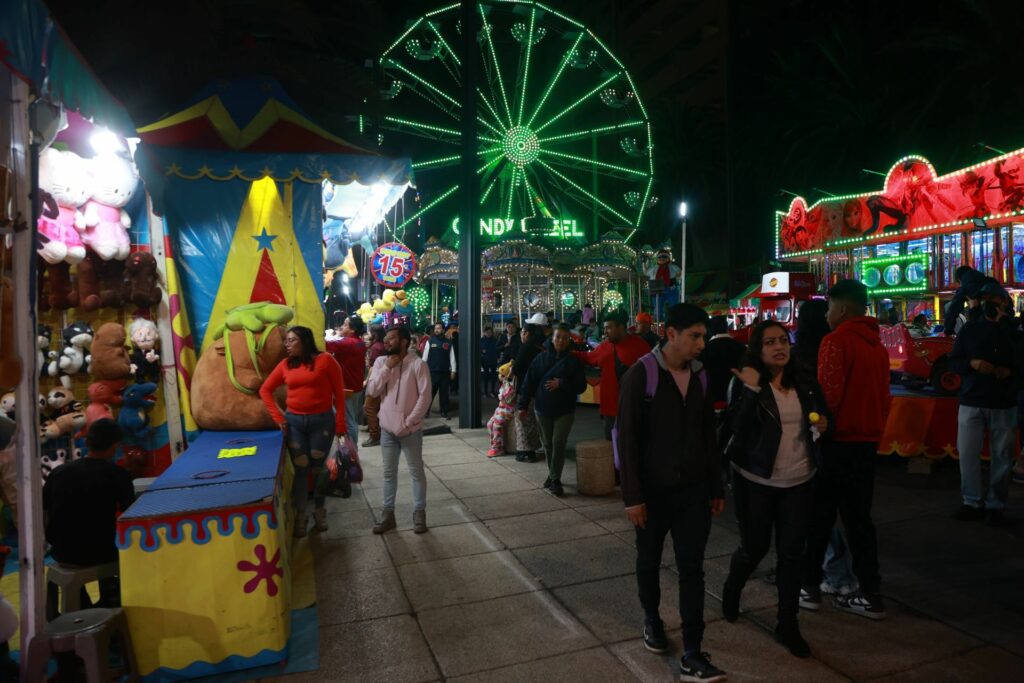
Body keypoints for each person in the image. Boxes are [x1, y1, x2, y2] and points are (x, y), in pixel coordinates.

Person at [616, 303, 726, 682]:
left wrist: (716, 484)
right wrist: (633, 496)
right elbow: (626, 441)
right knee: (648, 559)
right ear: (670, 334)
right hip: (652, 494)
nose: (701, 344)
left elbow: (706, 435)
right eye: (694, 336)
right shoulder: (640, 376)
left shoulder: (700, 377)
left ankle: (693, 651)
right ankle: (652, 620)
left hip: (694, 492)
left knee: (692, 569)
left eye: (704, 336)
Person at [722, 321, 830, 658]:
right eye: (769, 342)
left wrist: (824, 422)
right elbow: (732, 430)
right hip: (756, 480)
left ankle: (788, 624)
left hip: (799, 480)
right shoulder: (744, 381)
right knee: (754, 548)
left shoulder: (806, 382)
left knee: (791, 554)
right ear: (758, 348)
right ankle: (733, 587)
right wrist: (752, 392)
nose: (778, 347)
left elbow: (822, 415)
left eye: (783, 340)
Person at [801, 280, 890, 620]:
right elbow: (885, 401)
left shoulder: (835, 342)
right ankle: (871, 595)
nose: (826, 314)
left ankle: (808, 587)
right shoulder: (878, 347)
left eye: (828, 308)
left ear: (842, 309)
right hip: (866, 446)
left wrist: (817, 425)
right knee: (860, 521)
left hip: (837, 444)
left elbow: (828, 397)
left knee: (820, 516)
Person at [794, 298, 859, 597]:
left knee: (817, 513)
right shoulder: (841, 345)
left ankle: (835, 575)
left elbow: (820, 402)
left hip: (813, 441)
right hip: (843, 438)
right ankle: (835, 573)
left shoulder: (811, 353)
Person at [260, 326, 347, 536]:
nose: (286, 345)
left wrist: (340, 423)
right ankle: (301, 515)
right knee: (301, 471)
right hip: (295, 424)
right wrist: (279, 417)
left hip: (322, 423)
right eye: (286, 341)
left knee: (319, 471)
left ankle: (319, 511)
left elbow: (339, 393)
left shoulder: (325, 360)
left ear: (305, 341)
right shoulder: (285, 365)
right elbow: (265, 390)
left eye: (291, 341)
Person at [43, 418, 134, 607]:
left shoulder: (59, 472)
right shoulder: (118, 474)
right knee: (117, 547)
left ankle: (78, 603)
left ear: (87, 442)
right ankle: (111, 598)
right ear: (115, 446)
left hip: (62, 552)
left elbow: (44, 512)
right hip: (101, 551)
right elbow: (130, 514)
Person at [949, 292, 1018, 526]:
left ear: (1006, 304)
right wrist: (972, 364)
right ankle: (971, 502)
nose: (994, 306)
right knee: (968, 454)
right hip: (971, 401)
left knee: (1002, 456)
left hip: (1004, 402)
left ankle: (996, 505)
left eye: (998, 302)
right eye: (990, 302)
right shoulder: (969, 330)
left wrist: (1009, 371)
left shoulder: (1013, 331)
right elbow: (954, 362)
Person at [365, 325, 432, 534]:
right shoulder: (379, 362)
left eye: (392, 338)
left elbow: (425, 396)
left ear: (403, 341)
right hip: (387, 430)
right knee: (388, 473)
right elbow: (373, 390)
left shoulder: (418, 364)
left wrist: (410, 422)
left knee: (416, 472)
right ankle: (388, 514)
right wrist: (387, 368)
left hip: (410, 430)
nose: (387, 342)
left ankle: (419, 513)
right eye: (386, 338)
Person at [517, 324, 586, 495]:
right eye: (558, 337)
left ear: (569, 340)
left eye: (564, 337)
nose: (561, 340)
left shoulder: (573, 361)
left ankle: (555, 479)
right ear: (552, 338)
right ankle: (552, 474)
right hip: (542, 409)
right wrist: (522, 406)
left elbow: (581, 385)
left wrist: (562, 383)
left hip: (565, 410)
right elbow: (528, 383)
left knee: (558, 442)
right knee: (547, 444)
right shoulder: (540, 359)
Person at [576, 313, 651, 440]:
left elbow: (651, 373)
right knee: (611, 446)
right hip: (609, 408)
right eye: (604, 328)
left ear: (621, 327)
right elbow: (588, 357)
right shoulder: (605, 346)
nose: (605, 332)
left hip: (633, 408)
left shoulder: (640, 346)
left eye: (609, 328)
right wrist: (567, 352)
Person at [326, 315, 367, 449]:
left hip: (347, 388)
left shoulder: (348, 343)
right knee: (352, 419)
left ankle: (351, 453)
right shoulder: (359, 342)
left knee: (349, 422)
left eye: (345, 325)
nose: (342, 327)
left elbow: (325, 344)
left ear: (352, 330)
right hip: (356, 388)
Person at [511, 324, 546, 461]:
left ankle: (523, 451)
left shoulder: (525, 348)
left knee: (522, 419)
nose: (522, 335)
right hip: (538, 390)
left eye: (524, 333)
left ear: (529, 334)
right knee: (533, 421)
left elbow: (517, 368)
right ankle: (532, 449)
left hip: (523, 390)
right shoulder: (541, 347)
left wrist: (511, 369)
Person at [702, 314, 745, 409]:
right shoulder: (741, 347)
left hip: (711, 400)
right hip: (737, 400)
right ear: (726, 327)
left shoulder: (705, 350)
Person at [423, 322, 456, 419]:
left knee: (444, 394)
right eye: (435, 328)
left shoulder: (448, 342)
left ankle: (444, 412)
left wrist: (453, 370)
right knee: (429, 393)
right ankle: (425, 411)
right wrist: (423, 371)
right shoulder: (430, 342)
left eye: (439, 328)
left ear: (443, 330)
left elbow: (452, 357)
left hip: (445, 372)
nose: (436, 330)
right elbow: (424, 357)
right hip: (432, 372)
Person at [362, 325, 387, 447]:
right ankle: (378, 433)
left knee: (369, 407)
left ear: (375, 334)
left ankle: (374, 435)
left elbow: (374, 367)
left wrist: (367, 380)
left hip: (376, 381)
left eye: (370, 332)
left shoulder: (376, 347)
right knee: (375, 408)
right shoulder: (382, 345)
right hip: (382, 381)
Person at [481, 326, 499, 397]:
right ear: (484, 333)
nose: (489, 333)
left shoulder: (495, 340)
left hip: (493, 360)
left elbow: (497, 349)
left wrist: (497, 358)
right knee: (485, 377)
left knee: (493, 377)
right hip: (484, 361)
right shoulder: (481, 340)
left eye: (490, 332)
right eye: (487, 332)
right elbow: (479, 349)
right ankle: (485, 392)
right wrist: (482, 352)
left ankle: (492, 391)